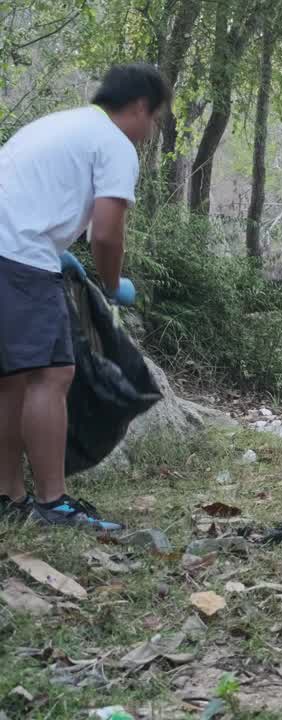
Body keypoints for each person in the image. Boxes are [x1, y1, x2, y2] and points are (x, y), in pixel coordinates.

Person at [0, 63, 170, 531]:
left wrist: (58, 255)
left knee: (12, 379)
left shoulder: (60, 124)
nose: (149, 131)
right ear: (139, 107)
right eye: (153, 120)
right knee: (51, 375)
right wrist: (112, 285)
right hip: (19, 256)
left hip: (14, 250)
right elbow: (107, 234)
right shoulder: (114, 143)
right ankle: (53, 505)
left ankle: (9, 496)